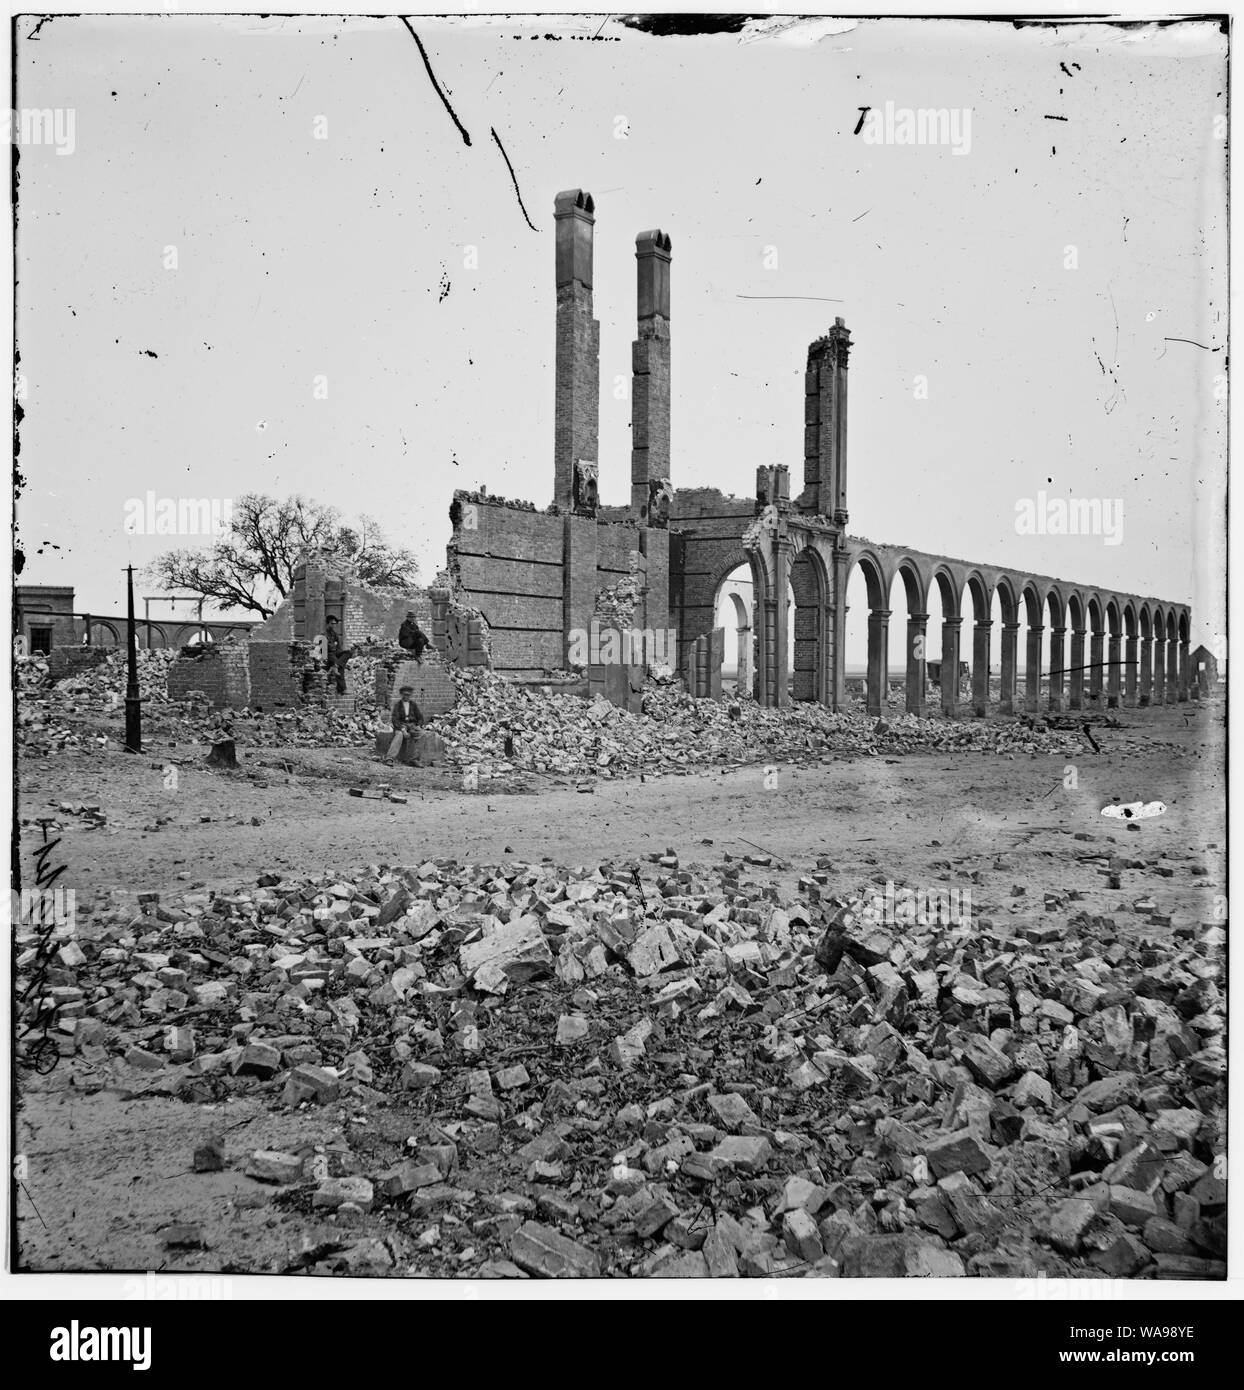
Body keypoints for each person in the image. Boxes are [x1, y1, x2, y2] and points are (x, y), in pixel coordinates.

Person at [386, 684, 424, 762]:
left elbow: (420, 717)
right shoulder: (398, 705)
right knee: (399, 735)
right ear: (402, 694)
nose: (407, 697)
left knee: (420, 734)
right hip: (401, 726)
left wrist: (418, 726)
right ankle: (390, 758)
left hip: (411, 725)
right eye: (405, 695)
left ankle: (414, 759)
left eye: (408, 695)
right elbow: (395, 720)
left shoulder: (413, 705)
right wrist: (403, 730)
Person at [324, 616, 353, 695]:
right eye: (332, 624)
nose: (334, 626)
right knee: (341, 667)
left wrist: (341, 661)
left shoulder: (334, 634)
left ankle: (336, 665)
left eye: (335, 624)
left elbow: (339, 648)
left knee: (348, 652)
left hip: (335, 654)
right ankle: (343, 689)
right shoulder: (323, 635)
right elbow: (325, 650)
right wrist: (333, 646)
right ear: (327, 623)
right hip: (327, 656)